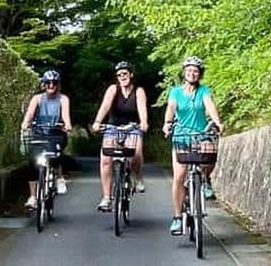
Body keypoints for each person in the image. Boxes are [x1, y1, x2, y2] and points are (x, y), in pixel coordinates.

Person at [162, 56, 224, 235]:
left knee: (210, 153)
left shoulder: (204, 90)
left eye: (195, 71)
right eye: (189, 70)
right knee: (179, 176)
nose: (192, 73)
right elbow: (171, 108)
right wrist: (167, 123)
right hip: (181, 136)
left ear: (200, 74)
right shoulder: (176, 92)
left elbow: (209, 105)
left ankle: (205, 179)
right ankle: (177, 217)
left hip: (201, 133)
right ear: (184, 72)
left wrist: (217, 122)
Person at [91, 61, 149, 211]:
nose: (122, 77)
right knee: (105, 160)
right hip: (113, 127)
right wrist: (98, 122)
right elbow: (105, 106)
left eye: (125, 74)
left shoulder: (138, 91)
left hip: (132, 127)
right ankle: (106, 198)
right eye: (119, 75)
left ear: (131, 74)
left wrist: (143, 122)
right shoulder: (113, 89)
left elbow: (142, 109)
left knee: (136, 153)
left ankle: (137, 176)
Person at [21, 69, 73, 209]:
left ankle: (59, 177)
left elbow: (66, 115)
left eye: (54, 83)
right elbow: (29, 114)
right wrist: (26, 123)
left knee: (56, 154)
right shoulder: (37, 99)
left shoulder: (63, 99)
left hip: (56, 133)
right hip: (39, 133)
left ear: (58, 85)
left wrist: (67, 125)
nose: (51, 85)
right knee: (32, 162)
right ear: (44, 84)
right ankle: (33, 196)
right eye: (48, 83)